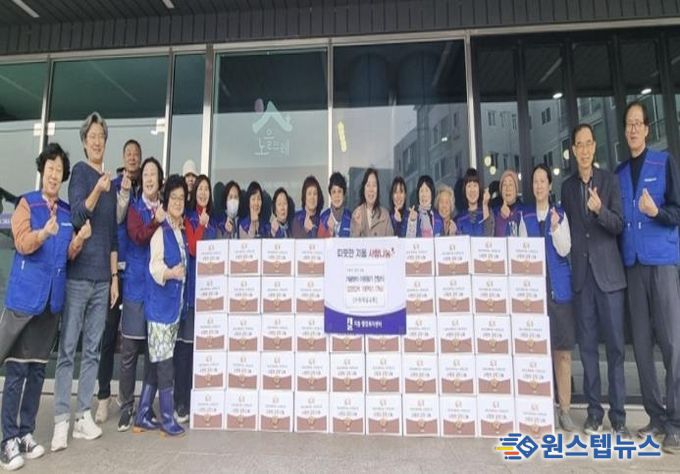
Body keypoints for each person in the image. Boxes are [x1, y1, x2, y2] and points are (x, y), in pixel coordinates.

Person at [0, 144, 91, 471]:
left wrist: (78, 240)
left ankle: (26, 432)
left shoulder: (66, 212)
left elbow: (66, 255)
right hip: (25, 300)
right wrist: (43, 233)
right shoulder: (27, 203)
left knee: (37, 370)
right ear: (43, 170)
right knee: (16, 370)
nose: (54, 174)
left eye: (59, 170)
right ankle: (7, 439)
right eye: (50, 168)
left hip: (51, 303)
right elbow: (22, 242)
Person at [52, 112, 119, 451]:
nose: (96, 141)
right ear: (84, 142)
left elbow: (112, 236)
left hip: (102, 278)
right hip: (78, 277)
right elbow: (78, 214)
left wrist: (114, 278)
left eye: (101, 137)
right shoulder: (80, 172)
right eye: (92, 136)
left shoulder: (111, 184)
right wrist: (97, 189)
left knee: (92, 350)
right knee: (68, 349)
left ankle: (83, 417)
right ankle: (61, 419)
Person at [616, 101, 680, 453]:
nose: (633, 129)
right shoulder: (620, 173)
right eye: (629, 124)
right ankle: (655, 416)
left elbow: (676, 211)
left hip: (662, 263)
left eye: (638, 123)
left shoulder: (664, 162)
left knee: (671, 343)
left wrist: (657, 212)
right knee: (641, 345)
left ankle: (676, 422)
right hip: (634, 265)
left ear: (647, 129)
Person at [561, 123, 629, 437]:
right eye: (580, 145)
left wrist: (600, 210)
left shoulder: (609, 181)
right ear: (573, 150)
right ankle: (593, 413)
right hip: (582, 279)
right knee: (587, 348)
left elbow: (618, 224)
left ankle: (619, 415)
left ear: (594, 147)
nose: (585, 150)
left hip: (609, 278)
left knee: (615, 348)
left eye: (589, 143)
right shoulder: (567, 187)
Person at [520, 164, 577, 432]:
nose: (539, 185)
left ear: (549, 186)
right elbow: (521, 253)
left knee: (561, 353)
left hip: (559, 292)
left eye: (543, 181)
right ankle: (541, 410)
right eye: (535, 181)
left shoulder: (560, 214)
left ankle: (564, 409)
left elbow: (565, 249)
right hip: (533, 294)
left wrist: (555, 227)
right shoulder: (526, 217)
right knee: (535, 353)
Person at [134, 174, 188, 437]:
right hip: (159, 310)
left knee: (157, 361)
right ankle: (167, 418)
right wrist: (171, 273)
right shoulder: (160, 231)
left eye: (181, 198)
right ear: (166, 201)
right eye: (174, 197)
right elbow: (155, 266)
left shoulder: (179, 231)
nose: (178, 202)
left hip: (173, 308)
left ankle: (143, 413)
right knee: (165, 363)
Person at [116, 157, 164, 432]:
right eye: (145, 174)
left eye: (153, 174)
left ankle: (146, 405)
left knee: (153, 352)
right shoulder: (135, 209)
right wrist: (156, 221)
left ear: (159, 180)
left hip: (158, 291)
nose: (148, 178)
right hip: (136, 287)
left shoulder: (166, 209)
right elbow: (137, 236)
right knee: (130, 351)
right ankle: (126, 406)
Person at [96, 138, 141, 424]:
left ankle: (127, 398)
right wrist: (122, 192)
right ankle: (102, 397)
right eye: (129, 154)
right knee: (108, 334)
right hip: (114, 271)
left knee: (133, 339)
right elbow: (111, 221)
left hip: (136, 274)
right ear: (123, 157)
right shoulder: (113, 185)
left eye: (136, 154)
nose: (133, 158)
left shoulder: (147, 187)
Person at [175, 174, 219, 424]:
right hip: (191, 296)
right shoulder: (190, 219)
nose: (203, 193)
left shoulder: (213, 223)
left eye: (206, 189)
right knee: (185, 351)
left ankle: (199, 402)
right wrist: (201, 226)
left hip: (209, 298)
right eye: (200, 189)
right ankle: (181, 402)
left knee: (202, 353)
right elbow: (193, 249)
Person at [350, 168, 393, 237]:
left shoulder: (385, 215)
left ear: (378, 189)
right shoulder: (356, 214)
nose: (371, 189)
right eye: (368, 185)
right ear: (363, 189)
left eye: (374, 185)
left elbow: (391, 242)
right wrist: (357, 228)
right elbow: (351, 242)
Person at [455, 168, 494, 236]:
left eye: (475, 185)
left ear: (479, 188)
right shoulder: (459, 219)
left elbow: (489, 236)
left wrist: (485, 205)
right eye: (469, 186)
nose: (472, 190)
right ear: (465, 190)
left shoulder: (487, 212)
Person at [318, 172, 351, 238]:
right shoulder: (323, 218)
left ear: (344, 194)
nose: (337, 196)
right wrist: (329, 232)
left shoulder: (350, 217)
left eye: (339, 191)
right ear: (330, 195)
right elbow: (319, 243)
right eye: (334, 192)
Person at [493, 170, 522, 236]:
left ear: (516, 189)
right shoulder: (494, 213)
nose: (507, 188)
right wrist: (501, 218)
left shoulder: (524, 211)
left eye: (511, 184)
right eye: (504, 185)